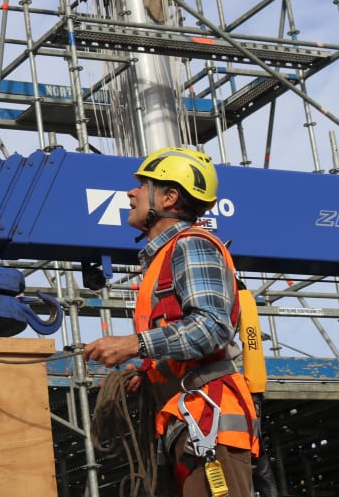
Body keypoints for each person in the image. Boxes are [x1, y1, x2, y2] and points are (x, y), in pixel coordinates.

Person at [83, 147, 259, 497]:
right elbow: (184, 337)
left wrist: (134, 344)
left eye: (142, 185)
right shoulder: (165, 256)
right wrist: (148, 372)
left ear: (169, 196)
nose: (131, 193)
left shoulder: (190, 245)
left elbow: (212, 326)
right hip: (192, 422)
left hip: (210, 423)